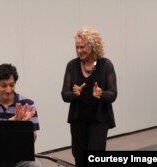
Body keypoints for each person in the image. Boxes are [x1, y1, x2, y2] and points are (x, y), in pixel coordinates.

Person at [61, 27, 117, 167]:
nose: (79, 50)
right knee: (79, 156)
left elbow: (113, 94)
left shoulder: (106, 65)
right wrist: (75, 94)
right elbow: (64, 95)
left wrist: (101, 93)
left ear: (93, 46)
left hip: (99, 120)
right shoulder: (72, 65)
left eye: (82, 47)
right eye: (77, 47)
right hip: (78, 119)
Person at [0, 63, 43, 167]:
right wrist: (14, 120)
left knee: (35, 165)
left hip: (17, 155)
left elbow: (32, 141)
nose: (8, 90)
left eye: (12, 85)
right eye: (4, 86)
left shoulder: (27, 104)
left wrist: (25, 126)